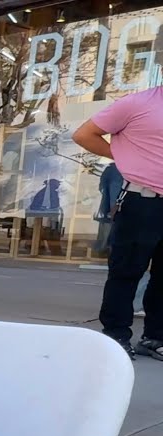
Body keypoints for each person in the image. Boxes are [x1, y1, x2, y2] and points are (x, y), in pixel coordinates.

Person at [73, 77, 163, 360]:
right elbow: (83, 134)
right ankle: (115, 336)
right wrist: (124, 155)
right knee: (127, 271)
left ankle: (155, 337)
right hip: (141, 200)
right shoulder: (137, 103)